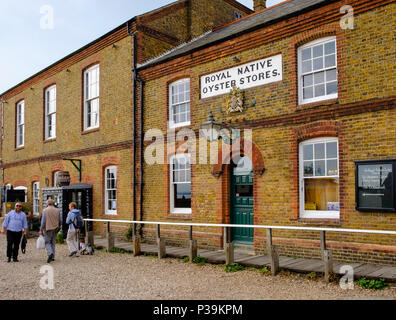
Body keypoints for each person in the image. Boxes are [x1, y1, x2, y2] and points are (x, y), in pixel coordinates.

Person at [39, 199, 62, 263]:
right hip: (55, 228)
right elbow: (60, 220)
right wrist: (59, 226)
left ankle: (50, 253)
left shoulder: (45, 210)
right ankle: (53, 257)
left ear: (47, 204)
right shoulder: (57, 210)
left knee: (47, 242)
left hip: (48, 228)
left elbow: (43, 221)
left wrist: (41, 229)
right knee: (53, 242)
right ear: (53, 203)